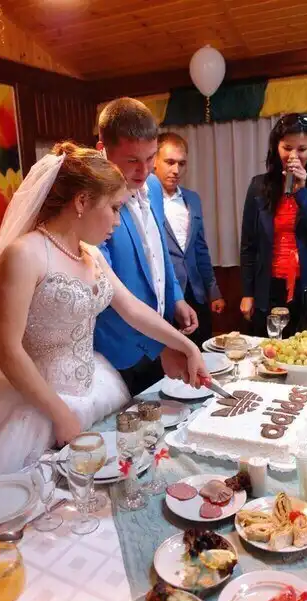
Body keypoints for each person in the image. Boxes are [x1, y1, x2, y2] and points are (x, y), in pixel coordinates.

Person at [0, 142, 208, 478]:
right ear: (82, 201)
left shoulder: (91, 253)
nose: (117, 221)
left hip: (95, 389)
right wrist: (59, 413)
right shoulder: (24, 255)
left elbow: (132, 309)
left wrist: (187, 346)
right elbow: (6, 349)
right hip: (38, 405)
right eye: (114, 208)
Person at [95, 98, 198, 395]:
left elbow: (158, 249)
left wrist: (176, 298)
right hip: (117, 350)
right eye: (132, 161)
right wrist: (161, 345)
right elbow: (106, 290)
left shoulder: (152, 186)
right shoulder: (92, 202)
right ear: (103, 149)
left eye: (151, 157)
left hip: (158, 334)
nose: (144, 171)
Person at [240, 114, 307, 337]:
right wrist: (247, 292)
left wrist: (302, 191)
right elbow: (248, 244)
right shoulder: (259, 185)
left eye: (302, 149)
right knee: (269, 352)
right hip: (269, 287)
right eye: (287, 148)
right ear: (276, 147)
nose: (293, 156)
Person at [154, 132, 225, 349]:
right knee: (171, 356)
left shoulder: (192, 199)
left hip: (196, 291)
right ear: (154, 160)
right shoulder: (144, 200)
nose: (176, 170)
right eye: (169, 162)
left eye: (182, 164)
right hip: (164, 295)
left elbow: (200, 249)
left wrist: (213, 292)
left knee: (203, 351)